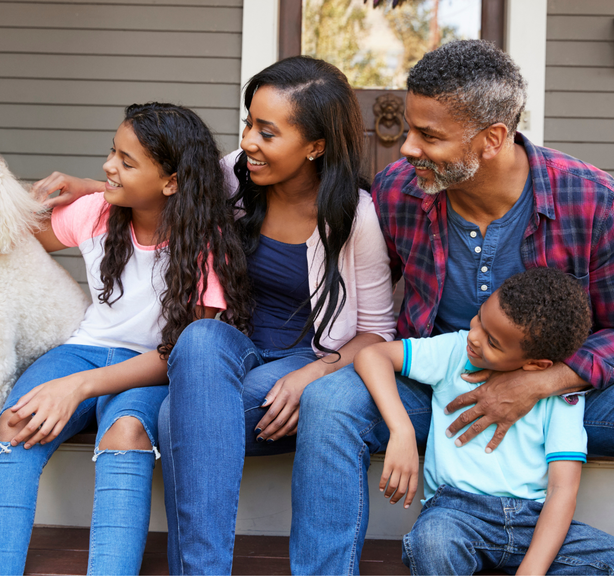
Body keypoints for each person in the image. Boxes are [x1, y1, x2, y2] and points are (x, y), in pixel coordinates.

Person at [291, 40, 614, 575]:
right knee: (331, 402)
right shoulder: (399, 191)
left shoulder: (589, 198)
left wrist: (537, 384)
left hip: (559, 396)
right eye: (409, 128)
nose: (406, 148)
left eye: (429, 135)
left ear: (493, 137)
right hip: (439, 387)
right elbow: (365, 300)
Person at [0, 103, 251, 575]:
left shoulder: (207, 242)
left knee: (127, 433)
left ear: (172, 181)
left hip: (150, 368)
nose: (107, 167)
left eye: (126, 161)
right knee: (14, 424)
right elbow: (23, 234)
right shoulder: (98, 212)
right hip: (82, 350)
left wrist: (79, 387)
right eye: (111, 153)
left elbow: (180, 355)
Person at [157, 55, 396, 575]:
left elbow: (378, 331)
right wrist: (86, 191)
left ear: (316, 145)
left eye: (267, 132)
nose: (248, 142)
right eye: (248, 123)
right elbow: (155, 190)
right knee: (198, 338)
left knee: (173, 415)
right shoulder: (230, 180)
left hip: (309, 357)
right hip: (233, 350)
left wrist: (314, 373)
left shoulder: (356, 217)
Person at [355, 267, 614, 575]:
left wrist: (532, 570)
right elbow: (373, 356)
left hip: (533, 521)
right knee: (431, 543)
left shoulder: (563, 396)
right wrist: (401, 429)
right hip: (455, 514)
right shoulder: (453, 351)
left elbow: (562, 490)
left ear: (537, 364)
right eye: (479, 319)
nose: (474, 337)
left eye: (493, 342)